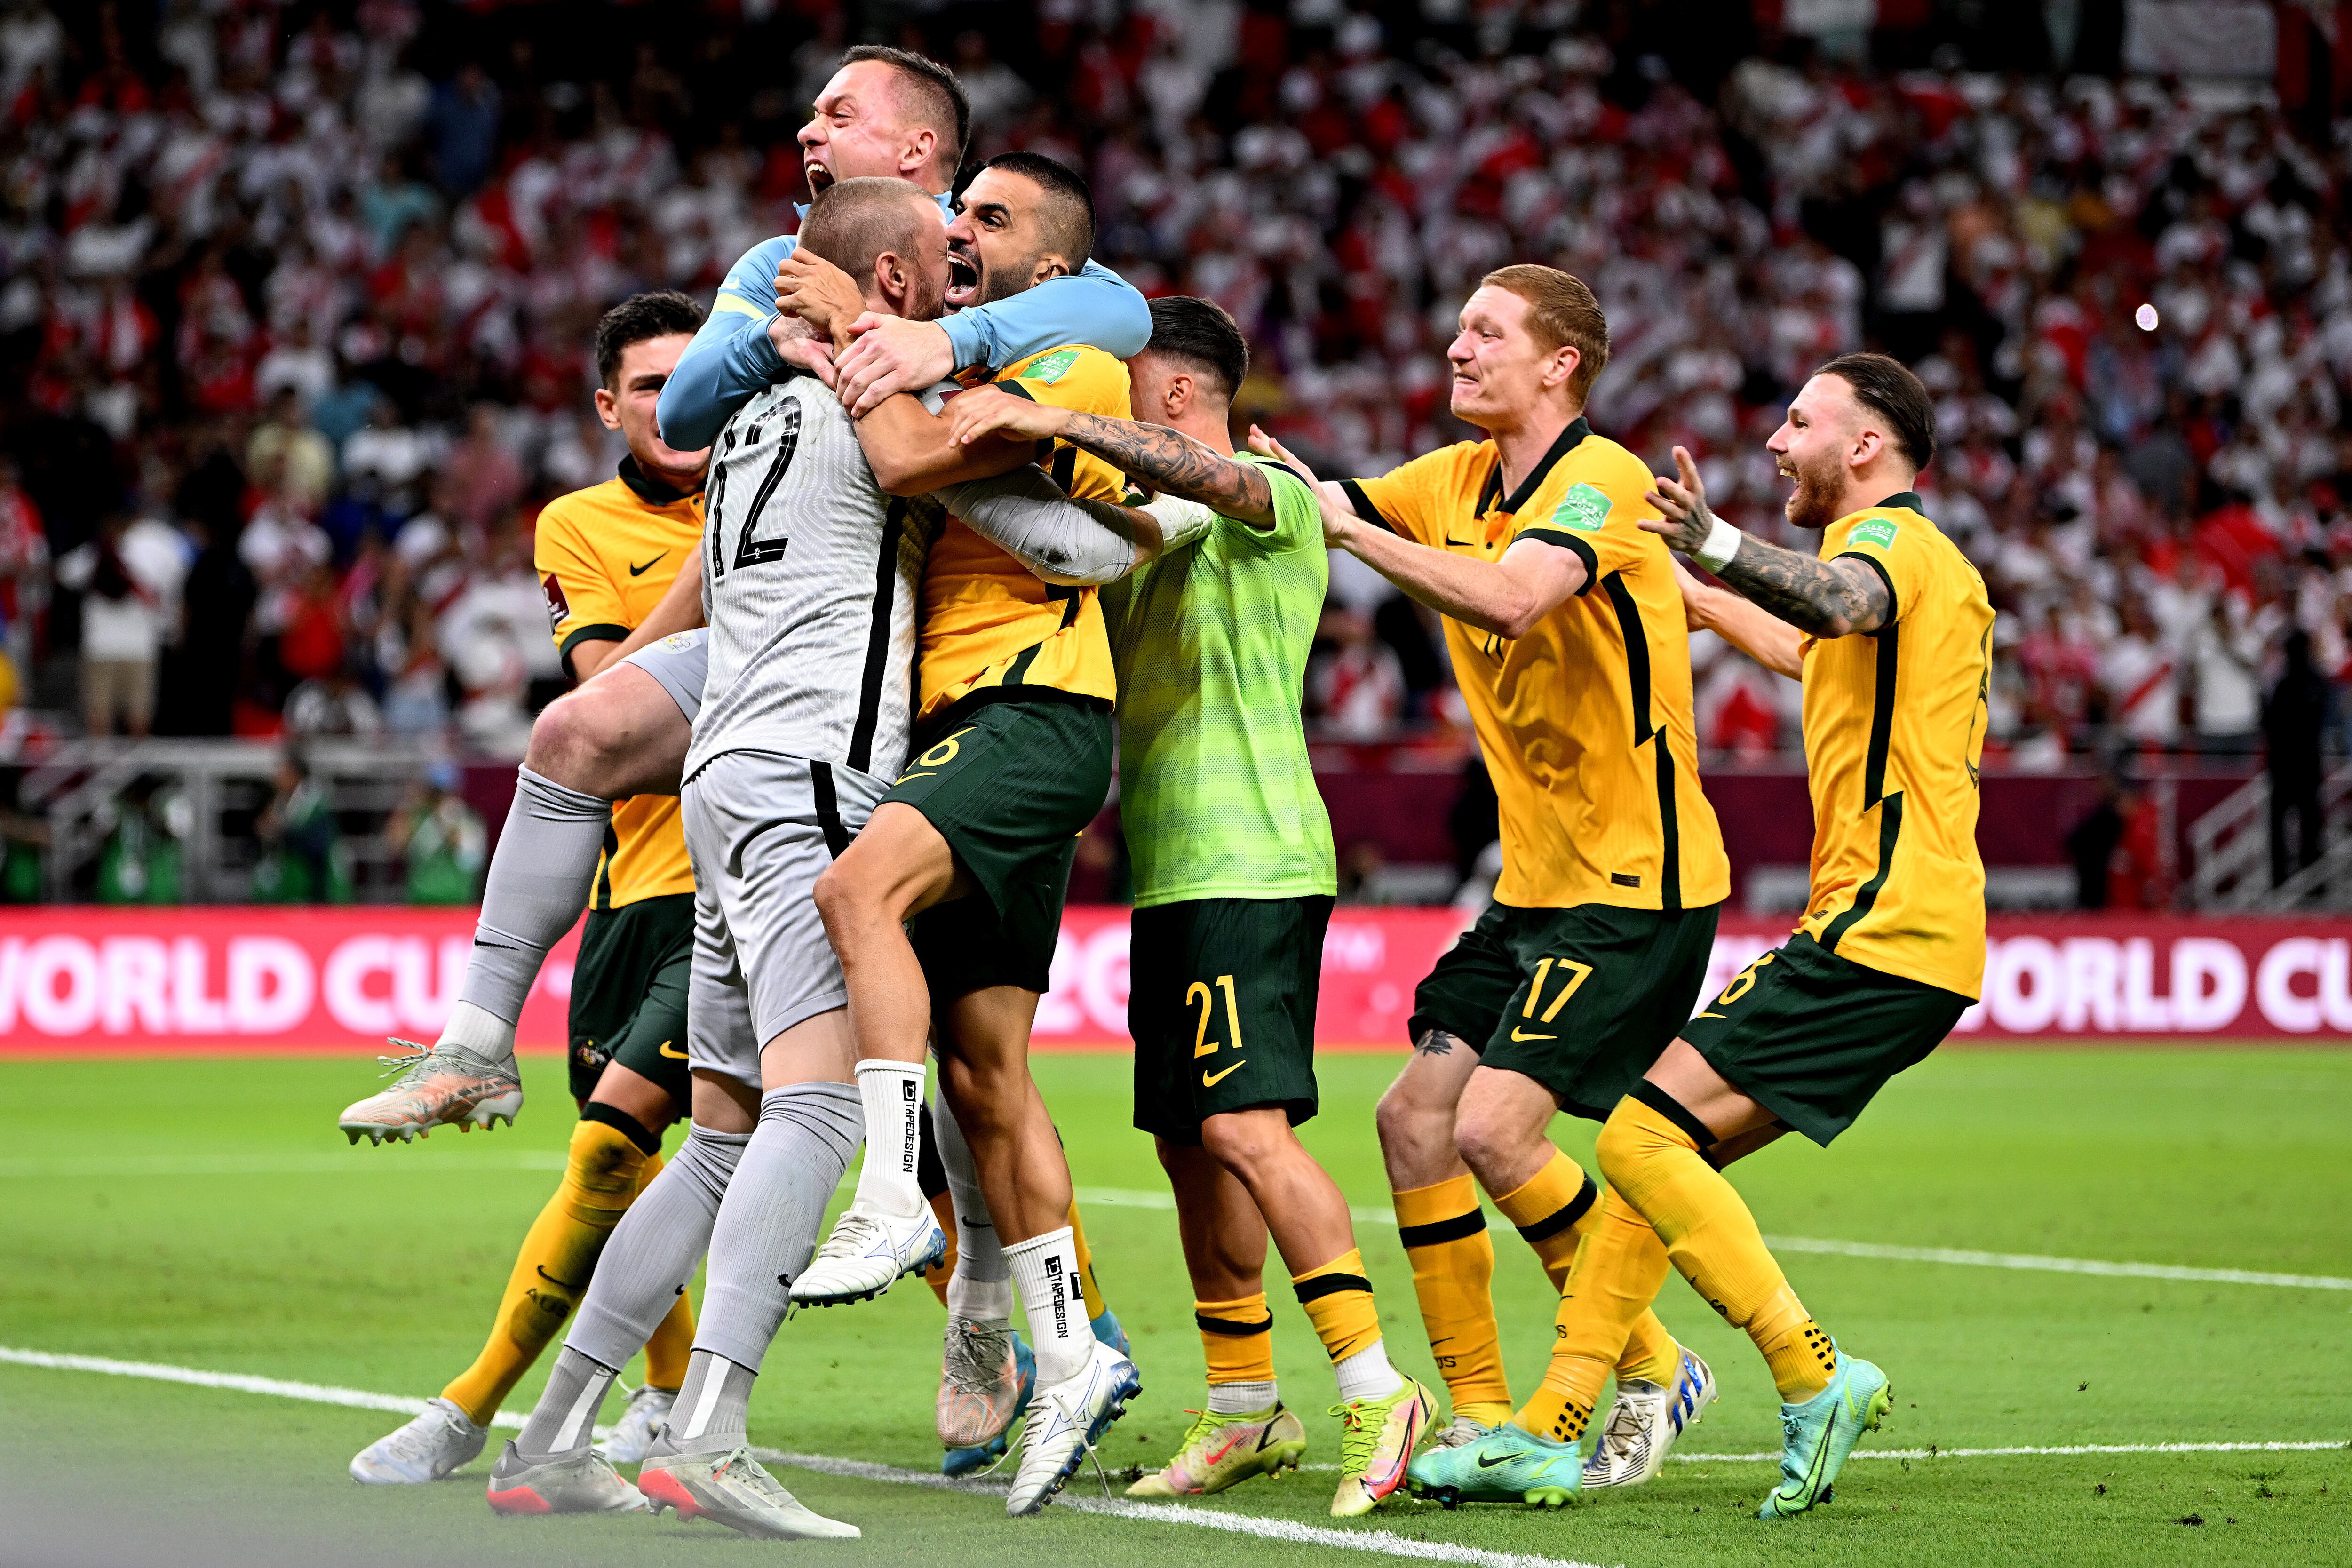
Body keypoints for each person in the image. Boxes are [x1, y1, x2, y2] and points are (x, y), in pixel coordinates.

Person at [483, 176, 1157, 1536]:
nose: (964, 278)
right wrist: (1158, 521)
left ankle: (554, 1430)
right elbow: (1036, 524)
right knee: (818, 1110)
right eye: (943, 263)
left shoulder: (739, 417)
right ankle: (716, 1425)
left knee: (726, 1132)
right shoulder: (882, 410)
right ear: (896, 288)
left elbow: (1107, 308)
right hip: (810, 774)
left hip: (718, 778)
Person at [334, 45, 1151, 1146]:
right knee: (575, 731)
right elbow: (688, 408)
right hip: (802, 634)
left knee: (976, 1064)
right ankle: (476, 1045)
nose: (807, 131)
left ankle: (1035, 1311)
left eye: (836, 113)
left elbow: (1125, 316)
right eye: (808, 113)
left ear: (917, 150)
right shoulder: (778, 259)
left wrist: (937, 337)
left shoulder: (987, 252)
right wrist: (790, 334)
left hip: (961, 654)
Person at [1276, 266, 1730, 1500]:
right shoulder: (1450, 479)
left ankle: (1650, 1361)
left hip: (1642, 881)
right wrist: (1206, 455)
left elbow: (1520, 595)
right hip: (1535, 885)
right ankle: (1479, 1409)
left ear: (1561, 363)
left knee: (1491, 1126)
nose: (1457, 345)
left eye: (1488, 331)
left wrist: (1351, 532)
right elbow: (1307, 500)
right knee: (1412, 1121)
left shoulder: (1608, 478)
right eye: (1461, 326)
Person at [1537, 352, 1989, 1519]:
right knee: (1660, 1169)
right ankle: (1553, 1428)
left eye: (1800, 422)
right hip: (1907, 933)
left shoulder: (1887, 547)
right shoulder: (1919, 572)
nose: (1777, 441)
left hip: (1878, 924)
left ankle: (1810, 1370)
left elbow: (1837, 604)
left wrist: (1715, 547)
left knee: (1637, 1139)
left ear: (1866, 447)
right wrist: (1692, 597)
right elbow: (1808, 643)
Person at [785, 152, 1158, 1517]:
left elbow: (909, 451)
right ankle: (1064, 1353)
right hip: (975, 716)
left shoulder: (1074, 360)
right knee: (988, 1071)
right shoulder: (984, 353)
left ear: (1053, 269)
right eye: (955, 216)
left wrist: (842, 332)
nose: (960, 231)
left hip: (1028, 705)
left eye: (988, 220)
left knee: (852, 895)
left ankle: (888, 1195)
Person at [344, 292, 719, 1488]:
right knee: (624, 1168)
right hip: (627, 884)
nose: (675, 402)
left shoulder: (793, 487)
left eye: (692, 376)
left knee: (632, 1143)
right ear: (608, 405)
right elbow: (612, 695)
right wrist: (726, 564)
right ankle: (655, 1409)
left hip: (742, 881)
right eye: (648, 385)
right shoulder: (581, 523)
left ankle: (473, 1412)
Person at [389, 761, 487, 905]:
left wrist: (446, 816)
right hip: (419, 901)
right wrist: (408, 805)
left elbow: (470, 859)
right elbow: (395, 846)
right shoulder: (418, 818)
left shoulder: (467, 819)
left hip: (456, 902)